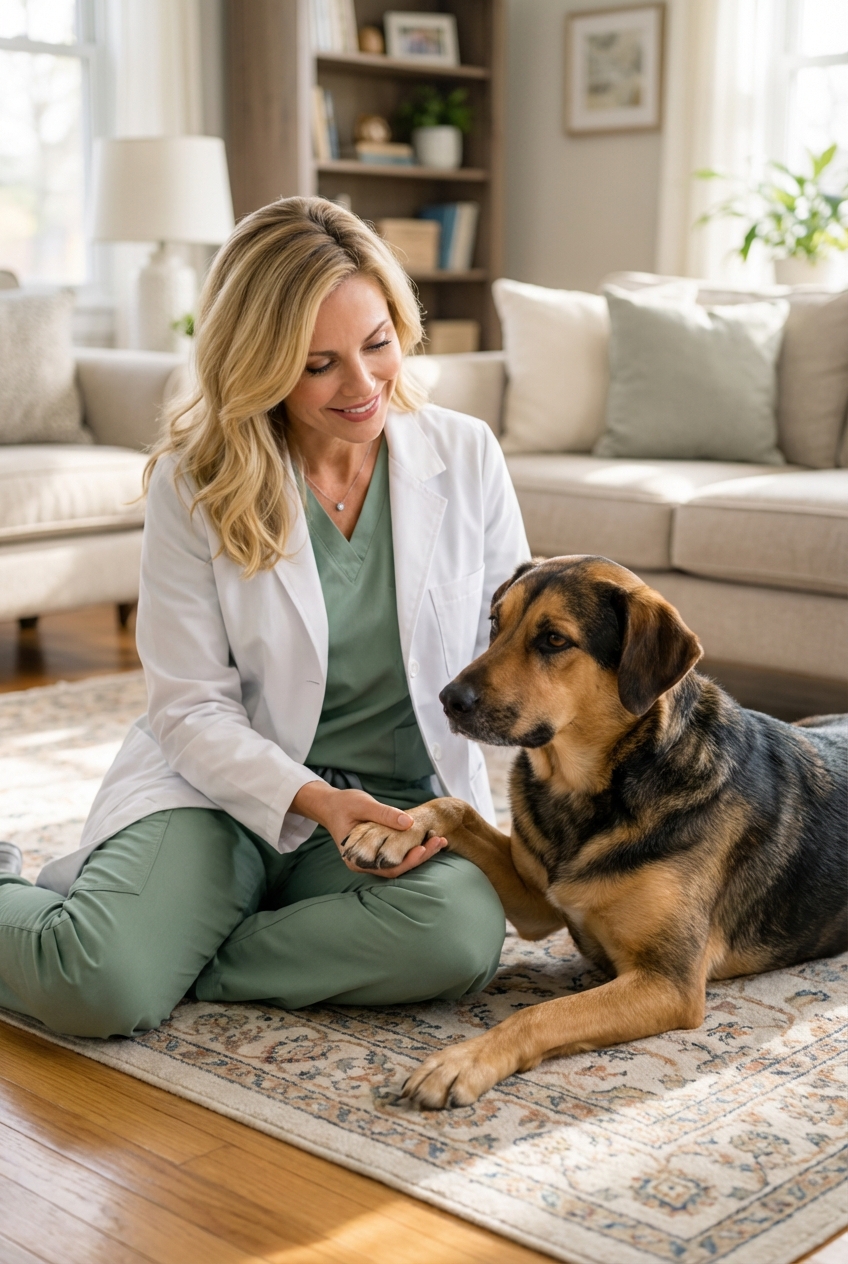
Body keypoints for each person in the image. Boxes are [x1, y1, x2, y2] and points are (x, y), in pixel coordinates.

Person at [0, 197, 529, 1038]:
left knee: (458, 933)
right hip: (219, 796)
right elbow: (187, 707)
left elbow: (512, 662)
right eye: (319, 364)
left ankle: (180, 954)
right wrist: (315, 800)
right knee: (94, 988)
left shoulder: (465, 455)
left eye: (377, 343)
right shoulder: (194, 481)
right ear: (257, 362)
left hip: (395, 812)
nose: (363, 388)